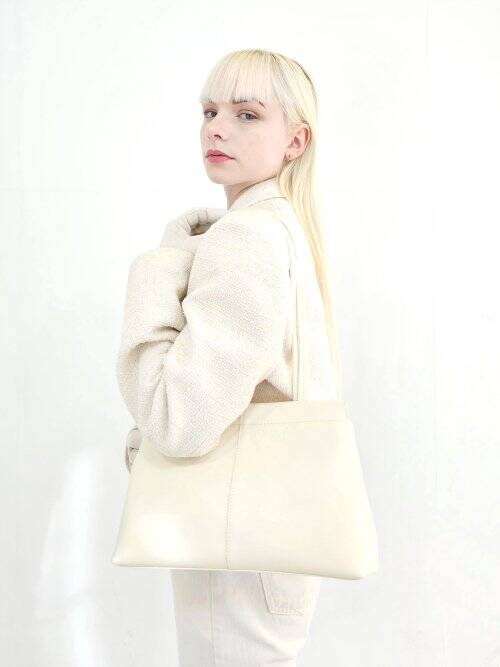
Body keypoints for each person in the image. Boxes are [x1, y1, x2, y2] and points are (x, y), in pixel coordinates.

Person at [116, 48, 342, 666]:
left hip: (236, 561)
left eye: (247, 114)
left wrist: (164, 266)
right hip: (267, 551)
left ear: (296, 141)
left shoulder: (246, 236)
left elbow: (177, 422)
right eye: (210, 111)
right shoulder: (286, 229)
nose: (217, 128)